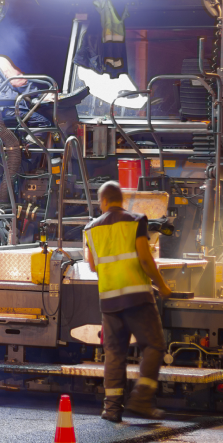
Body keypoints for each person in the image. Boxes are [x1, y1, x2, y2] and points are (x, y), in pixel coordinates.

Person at [84, 180, 172, 422]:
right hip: (137, 298)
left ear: (103, 201)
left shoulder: (91, 229)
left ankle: (112, 409)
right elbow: (145, 259)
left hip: (109, 301)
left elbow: (92, 265)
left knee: (114, 353)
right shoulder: (135, 221)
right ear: (121, 200)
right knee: (154, 346)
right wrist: (162, 285)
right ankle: (141, 399)